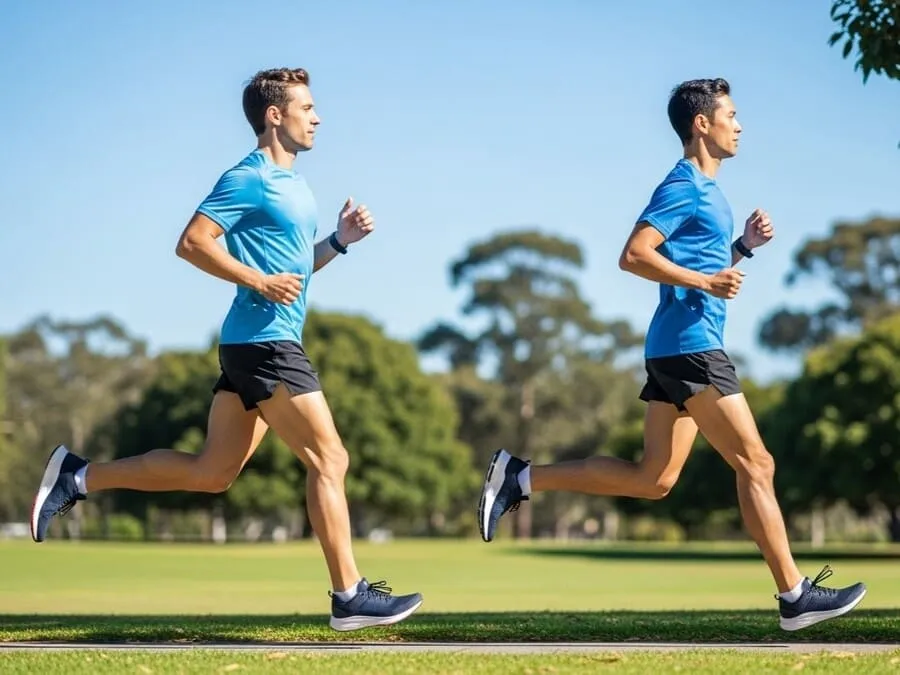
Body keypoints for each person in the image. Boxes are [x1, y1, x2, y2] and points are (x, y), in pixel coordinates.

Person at [30, 67, 423, 632]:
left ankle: (78, 477)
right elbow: (191, 242)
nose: (317, 117)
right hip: (266, 343)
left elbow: (291, 271)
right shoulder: (248, 177)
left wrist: (338, 242)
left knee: (212, 472)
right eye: (306, 107)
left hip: (254, 342)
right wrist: (258, 283)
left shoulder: (296, 186)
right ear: (274, 115)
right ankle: (349, 595)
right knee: (330, 460)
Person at [477, 78, 867, 631]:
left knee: (654, 479)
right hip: (692, 347)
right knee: (756, 463)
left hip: (675, 345)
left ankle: (520, 477)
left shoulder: (708, 192)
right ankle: (794, 595)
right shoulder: (684, 183)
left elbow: (691, 260)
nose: (740, 124)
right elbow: (634, 255)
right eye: (731, 114)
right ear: (702, 124)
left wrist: (740, 251)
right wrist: (707, 282)